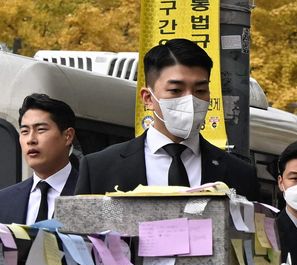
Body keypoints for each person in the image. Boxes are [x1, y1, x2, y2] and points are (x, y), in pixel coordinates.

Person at [80, 38, 257, 198]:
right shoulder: (98, 168)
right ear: (148, 98)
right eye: (175, 90)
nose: (190, 100)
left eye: (200, 91)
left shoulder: (240, 173)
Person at [1, 95, 82, 223]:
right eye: (25, 131)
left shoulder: (91, 195)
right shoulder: (4, 201)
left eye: (41, 130)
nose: (31, 140)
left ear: (68, 136)